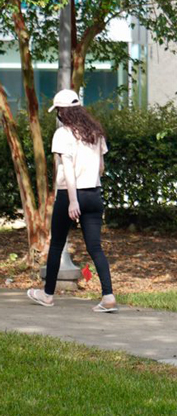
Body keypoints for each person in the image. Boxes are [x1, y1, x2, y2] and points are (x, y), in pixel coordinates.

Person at [27, 89, 116, 312]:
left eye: (57, 111)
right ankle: (108, 297)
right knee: (95, 247)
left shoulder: (63, 134)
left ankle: (47, 295)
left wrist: (73, 201)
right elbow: (101, 167)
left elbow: (67, 170)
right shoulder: (95, 133)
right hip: (94, 194)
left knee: (57, 244)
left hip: (70, 195)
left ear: (62, 112)